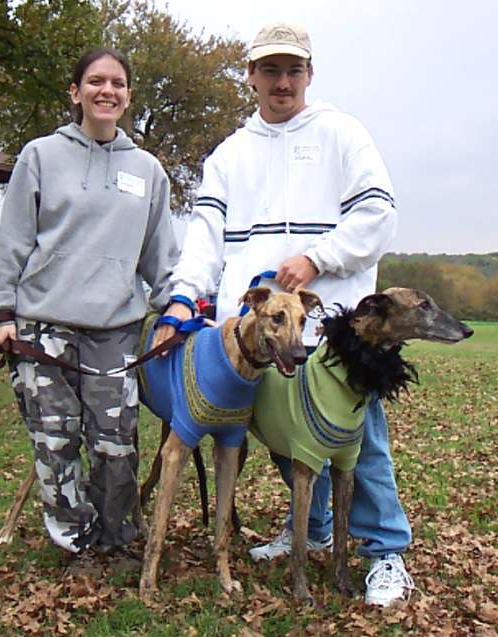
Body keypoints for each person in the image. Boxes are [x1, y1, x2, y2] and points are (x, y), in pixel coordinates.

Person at [154, 22, 414, 606]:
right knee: (284, 437)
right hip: (259, 337)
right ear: (250, 76)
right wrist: (182, 295)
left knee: (358, 439)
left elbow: (378, 214)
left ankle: (385, 551)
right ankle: (314, 529)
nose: (282, 81)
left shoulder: (342, 134)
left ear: (310, 75)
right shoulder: (229, 154)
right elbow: (205, 235)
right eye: (269, 69)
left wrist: (317, 258)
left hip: (335, 328)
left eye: (293, 69)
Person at [0, 47, 178, 556]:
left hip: (114, 333)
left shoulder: (150, 171)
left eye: (117, 82)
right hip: (42, 328)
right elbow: (14, 241)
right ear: (76, 92)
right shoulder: (41, 156)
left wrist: (178, 309)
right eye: (95, 81)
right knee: (56, 442)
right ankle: (75, 541)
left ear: (128, 95)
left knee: (116, 445)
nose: (106, 90)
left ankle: (116, 539)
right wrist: (1, 312)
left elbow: (161, 257)